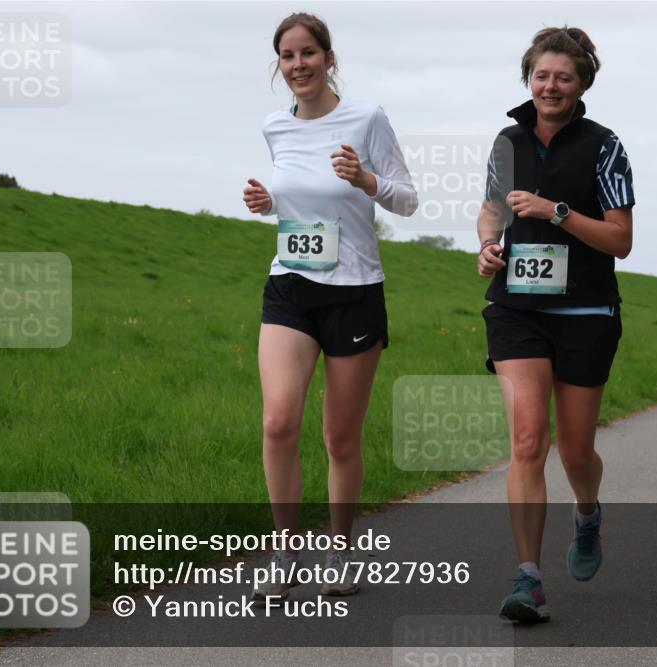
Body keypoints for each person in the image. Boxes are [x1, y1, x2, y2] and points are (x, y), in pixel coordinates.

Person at [242, 12, 417, 600]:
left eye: (308, 54)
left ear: (328, 57)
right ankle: (287, 553)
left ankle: (342, 553)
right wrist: (268, 204)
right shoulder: (275, 127)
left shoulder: (366, 118)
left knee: (340, 438)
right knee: (278, 420)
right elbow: (295, 206)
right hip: (290, 285)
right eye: (288, 57)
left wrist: (367, 180)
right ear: (279, 65)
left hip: (354, 293)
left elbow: (408, 199)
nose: (299, 66)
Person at [477, 26, 634, 623]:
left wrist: (556, 212)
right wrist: (489, 245)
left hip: (587, 311)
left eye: (563, 77)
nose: (551, 86)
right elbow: (490, 210)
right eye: (542, 75)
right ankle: (528, 578)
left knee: (574, 449)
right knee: (526, 440)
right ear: (529, 79)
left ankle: (588, 514)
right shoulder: (508, 140)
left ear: (582, 83)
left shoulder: (605, 145)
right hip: (516, 308)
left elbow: (620, 240)